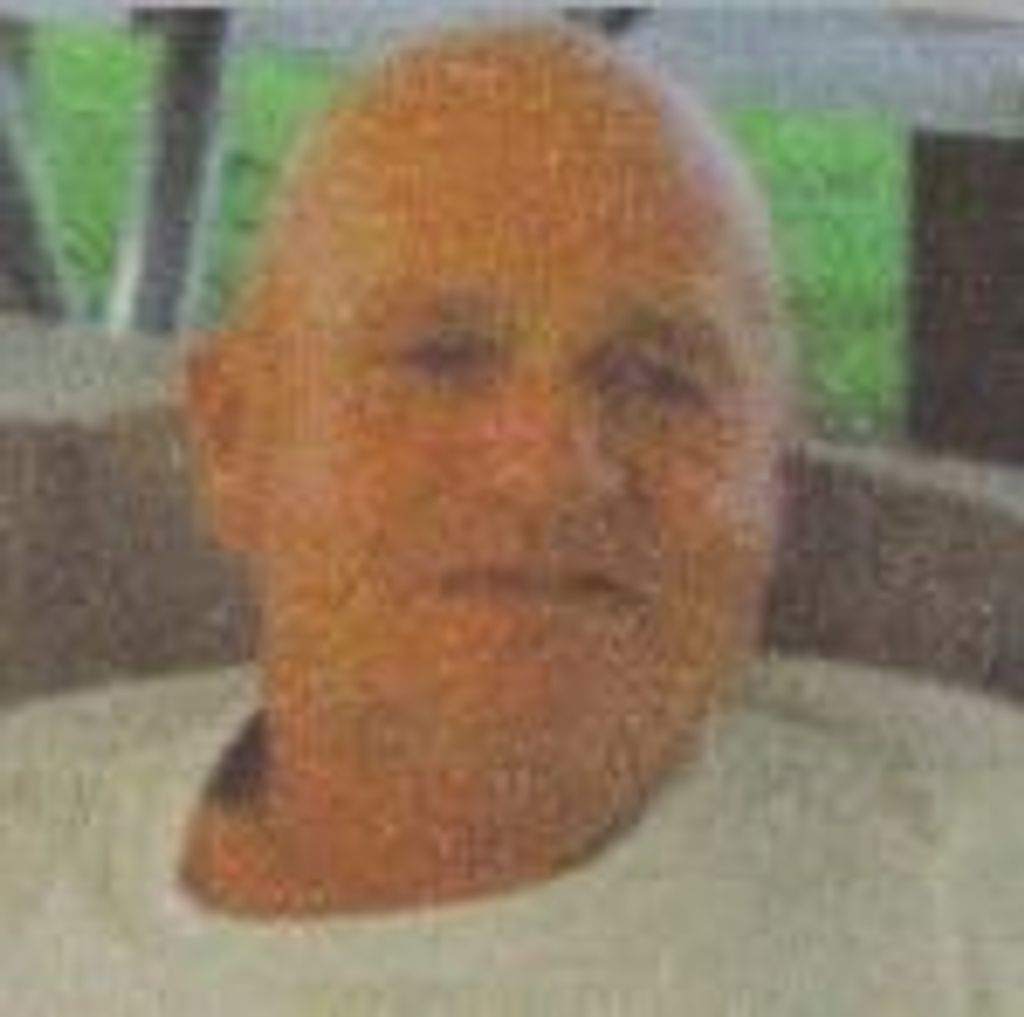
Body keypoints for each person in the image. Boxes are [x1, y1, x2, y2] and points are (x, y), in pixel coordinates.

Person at [0, 20, 1021, 1015]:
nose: (547, 471)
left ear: (774, 475)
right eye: (440, 359)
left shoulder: (964, 899)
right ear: (233, 436)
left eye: (661, 379)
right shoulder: (32, 855)